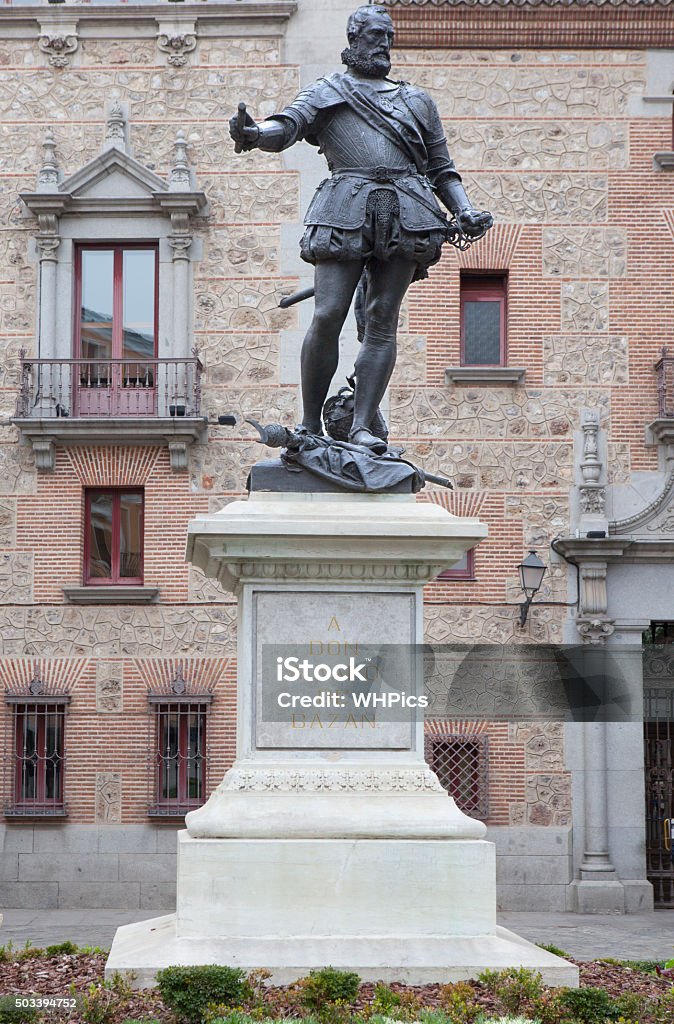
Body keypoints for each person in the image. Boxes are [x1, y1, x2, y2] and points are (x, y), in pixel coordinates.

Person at [230, 4, 492, 454]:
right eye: (375, 35)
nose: (384, 43)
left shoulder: (418, 101)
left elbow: (443, 169)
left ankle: (363, 425)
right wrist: (255, 134)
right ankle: (311, 423)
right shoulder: (329, 90)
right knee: (329, 313)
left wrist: (464, 209)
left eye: (388, 36)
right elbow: (288, 125)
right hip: (345, 207)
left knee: (382, 320)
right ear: (354, 38)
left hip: (408, 210)